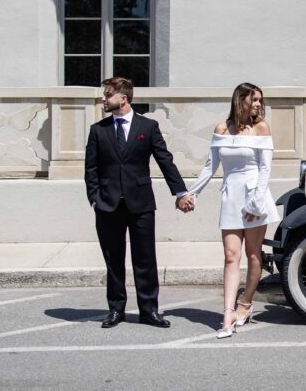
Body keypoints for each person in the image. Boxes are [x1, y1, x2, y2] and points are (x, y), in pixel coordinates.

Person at [84, 76, 193, 329]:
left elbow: (165, 160)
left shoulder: (148, 126)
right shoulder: (98, 130)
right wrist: (94, 198)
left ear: (123, 98)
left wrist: (180, 193)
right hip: (108, 205)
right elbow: (91, 168)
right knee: (113, 260)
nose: (103, 98)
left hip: (141, 204)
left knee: (145, 259)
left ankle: (149, 311)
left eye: (108, 95)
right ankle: (115, 310)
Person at [186, 82, 279, 339]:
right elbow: (210, 167)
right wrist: (191, 193)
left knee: (253, 255)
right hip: (230, 196)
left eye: (261, 100)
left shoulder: (262, 128)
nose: (259, 104)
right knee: (230, 256)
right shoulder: (222, 128)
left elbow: (265, 169)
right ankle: (227, 313)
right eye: (255, 99)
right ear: (241, 100)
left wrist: (254, 204)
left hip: (255, 197)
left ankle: (246, 303)